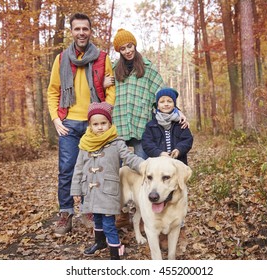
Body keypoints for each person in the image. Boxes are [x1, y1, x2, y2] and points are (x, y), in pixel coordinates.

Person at [106, 29, 188, 228]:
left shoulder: (149, 70)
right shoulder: (114, 72)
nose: (127, 51)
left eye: (130, 46)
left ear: (135, 45)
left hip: (141, 128)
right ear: (118, 50)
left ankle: (145, 214)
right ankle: (121, 213)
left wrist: (178, 111)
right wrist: (103, 83)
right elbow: (104, 95)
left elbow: (163, 96)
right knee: (114, 172)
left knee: (145, 174)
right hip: (118, 128)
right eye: (123, 48)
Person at [47, 13, 115, 236]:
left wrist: (104, 113)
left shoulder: (102, 58)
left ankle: (88, 210)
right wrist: (56, 119)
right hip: (68, 123)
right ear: (72, 32)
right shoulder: (61, 59)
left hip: (93, 124)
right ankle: (66, 212)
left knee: (92, 169)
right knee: (66, 170)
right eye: (77, 29)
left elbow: (111, 89)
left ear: (90, 30)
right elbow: (53, 91)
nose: (81, 33)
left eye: (85, 29)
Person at [71, 102, 144, 260]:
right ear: (90, 125)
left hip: (108, 190)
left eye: (103, 123)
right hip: (90, 190)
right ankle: (100, 242)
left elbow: (129, 158)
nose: (100, 127)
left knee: (108, 222)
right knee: (96, 218)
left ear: (110, 123)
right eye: (95, 124)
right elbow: (78, 168)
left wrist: (144, 165)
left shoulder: (116, 143)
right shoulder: (85, 144)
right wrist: (76, 190)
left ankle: (115, 251)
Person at [142, 87, 193, 165]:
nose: (166, 104)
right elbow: (147, 143)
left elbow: (187, 140)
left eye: (169, 101)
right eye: (162, 102)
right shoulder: (151, 125)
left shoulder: (181, 123)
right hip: (158, 164)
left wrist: (179, 150)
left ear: (174, 105)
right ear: (157, 105)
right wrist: (160, 153)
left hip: (178, 163)